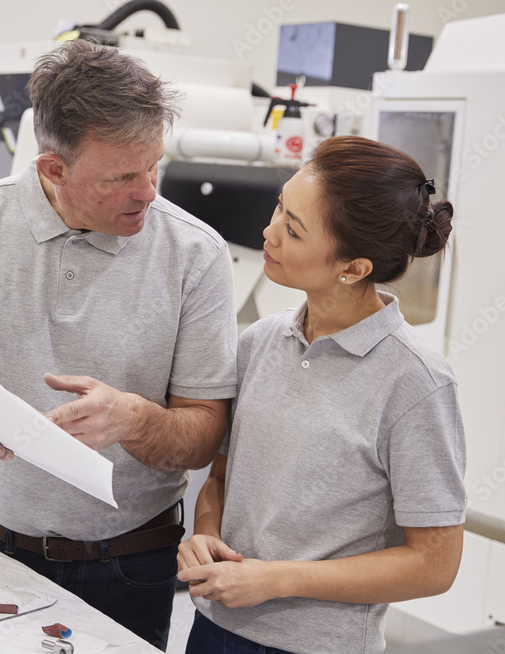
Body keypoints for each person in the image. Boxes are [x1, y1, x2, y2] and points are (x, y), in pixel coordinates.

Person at [0, 39, 238, 650]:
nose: (147, 191)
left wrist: (135, 421)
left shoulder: (195, 254)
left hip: (131, 566)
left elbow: (203, 434)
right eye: (122, 177)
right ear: (52, 169)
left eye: (155, 167)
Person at [177, 136, 466, 654]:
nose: (268, 233)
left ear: (353, 268)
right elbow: (222, 477)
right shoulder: (259, 343)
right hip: (214, 629)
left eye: (292, 229)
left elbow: (435, 563)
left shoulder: (416, 383)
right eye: (278, 208)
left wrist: (278, 579)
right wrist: (204, 533)